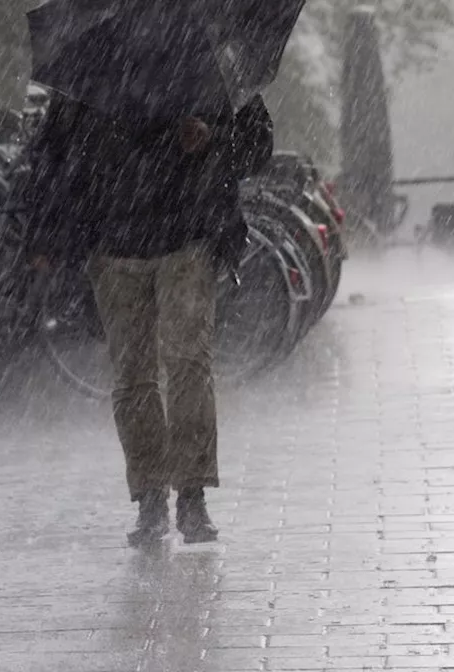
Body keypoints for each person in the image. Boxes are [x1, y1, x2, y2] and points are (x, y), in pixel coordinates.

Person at [22, 89, 274, 546]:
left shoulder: (208, 63)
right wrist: (46, 235)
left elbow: (257, 146)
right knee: (134, 375)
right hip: (114, 246)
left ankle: (192, 496)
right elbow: (52, 155)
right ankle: (151, 497)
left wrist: (211, 138)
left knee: (188, 365)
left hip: (189, 238)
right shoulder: (92, 70)